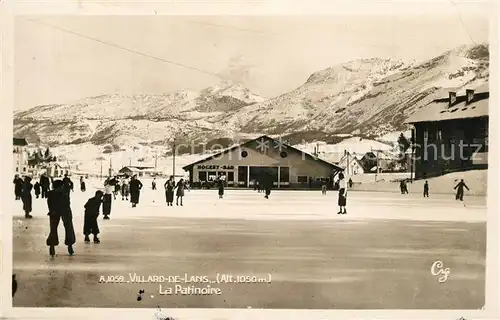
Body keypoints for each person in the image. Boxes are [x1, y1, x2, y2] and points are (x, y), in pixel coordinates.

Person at [46, 179, 76, 257]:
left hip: (55, 212)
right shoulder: (65, 192)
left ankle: (52, 246)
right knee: (68, 228)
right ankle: (70, 245)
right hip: (65, 211)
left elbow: (49, 204)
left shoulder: (51, 193)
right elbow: (69, 186)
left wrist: (52, 211)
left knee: (53, 229)